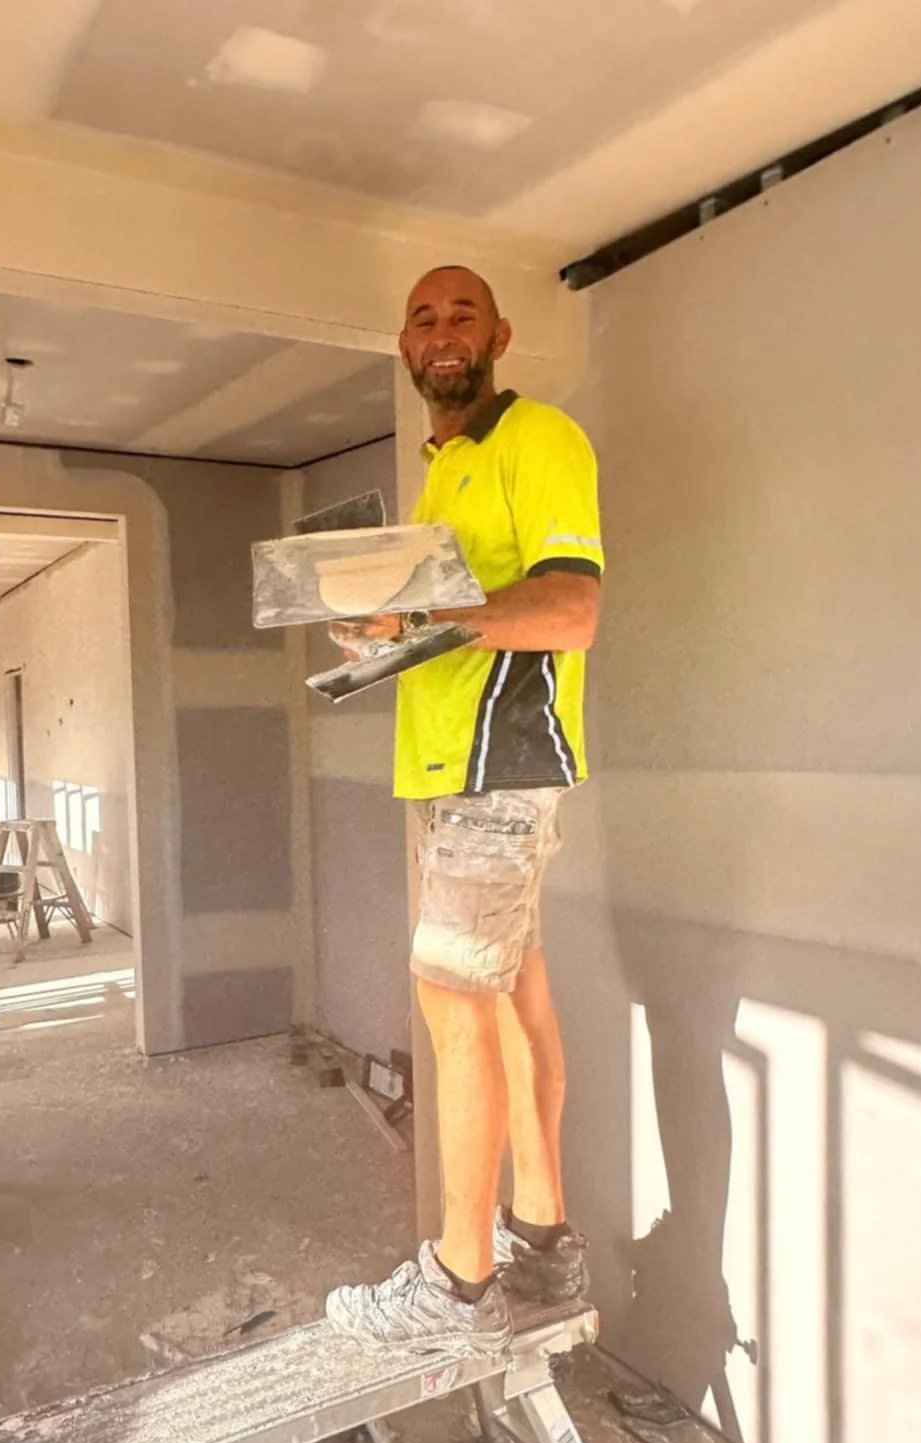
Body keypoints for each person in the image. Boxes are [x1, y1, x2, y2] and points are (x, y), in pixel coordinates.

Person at [325, 265, 603, 1357]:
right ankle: (541, 1237)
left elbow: (571, 609)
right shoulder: (444, 471)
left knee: (450, 1004)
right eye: (424, 318)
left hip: (501, 760)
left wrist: (431, 614)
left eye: (463, 315)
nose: (443, 334)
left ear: (500, 334)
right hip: (455, 766)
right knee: (512, 994)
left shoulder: (539, 439)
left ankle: (456, 1287)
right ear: (406, 343)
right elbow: (461, 621)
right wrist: (386, 637)